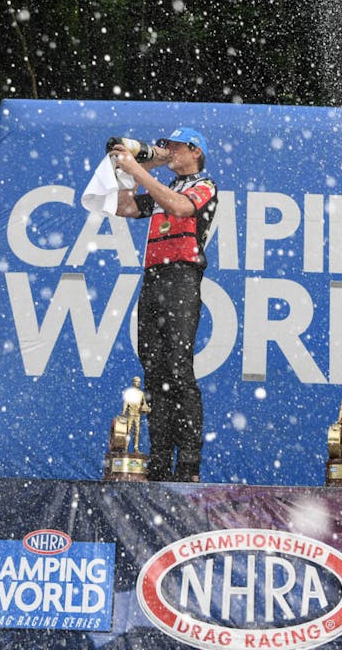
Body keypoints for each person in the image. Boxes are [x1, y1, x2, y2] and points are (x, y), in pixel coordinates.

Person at [112, 127, 218, 482]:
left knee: (179, 369)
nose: (169, 152)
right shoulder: (165, 188)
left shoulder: (204, 184)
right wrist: (124, 169)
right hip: (153, 278)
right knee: (154, 370)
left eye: (174, 148)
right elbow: (125, 206)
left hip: (182, 280)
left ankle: (188, 464)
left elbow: (180, 207)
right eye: (167, 147)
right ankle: (158, 460)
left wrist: (141, 169)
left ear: (195, 152)